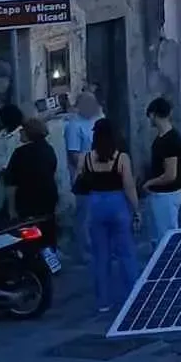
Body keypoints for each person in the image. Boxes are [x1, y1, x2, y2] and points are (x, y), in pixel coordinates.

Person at [76, 118, 140, 314]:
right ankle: (133, 297)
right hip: (118, 204)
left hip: (96, 205)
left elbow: (78, 183)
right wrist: (136, 209)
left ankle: (103, 301)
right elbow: (129, 186)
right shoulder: (121, 158)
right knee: (126, 253)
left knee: (100, 256)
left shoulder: (85, 158)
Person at [2, 115, 59, 235]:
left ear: (28, 132)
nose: (20, 133)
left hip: (27, 203)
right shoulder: (49, 150)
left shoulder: (20, 153)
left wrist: (11, 210)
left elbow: (11, 184)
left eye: (22, 130)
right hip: (48, 199)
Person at [64, 91, 103, 262]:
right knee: (84, 215)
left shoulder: (99, 119)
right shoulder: (74, 125)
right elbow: (74, 154)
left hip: (104, 173)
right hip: (85, 175)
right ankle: (83, 250)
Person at [141, 97, 181, 243]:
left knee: (167, 238)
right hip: (161, 194)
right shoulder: (162, 138)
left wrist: (149, 183)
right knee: (158, 236)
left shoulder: (170, 140)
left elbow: (170, 174)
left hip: (167, 195)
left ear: (153, 114)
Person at [0, 103, 27, 221]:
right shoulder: (3, 133)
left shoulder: (19, 135)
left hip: (8, 177)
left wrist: (1, 171)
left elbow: (12, 157)